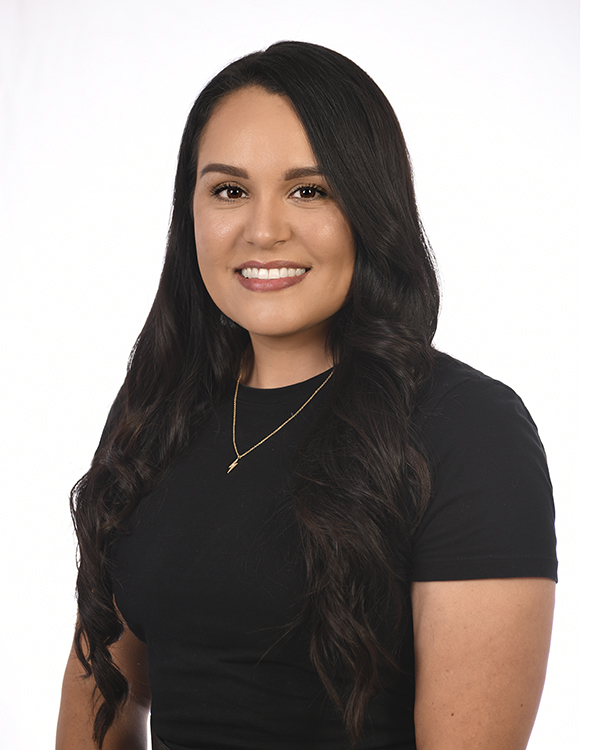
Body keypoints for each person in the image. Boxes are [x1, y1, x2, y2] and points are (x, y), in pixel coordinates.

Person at [56, 41, 557, 750]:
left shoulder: (468, 430)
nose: (264, 231)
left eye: (309, 190)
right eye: (229, 191)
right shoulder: (158, 411)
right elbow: (106, 685)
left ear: (370, 208)